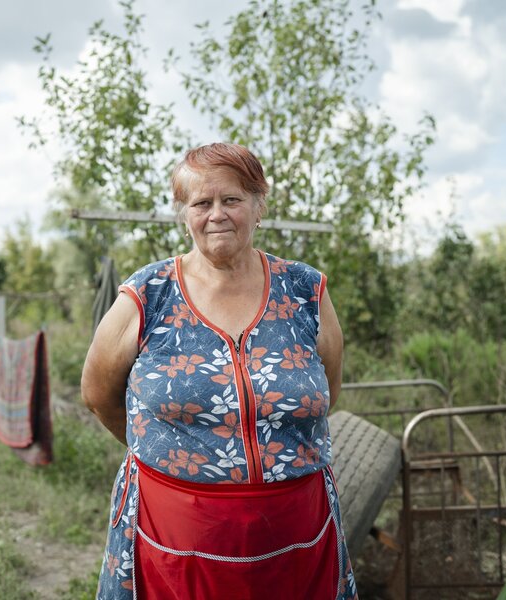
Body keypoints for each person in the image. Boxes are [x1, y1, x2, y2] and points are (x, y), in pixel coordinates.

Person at [82, 142, 358, 599]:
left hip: (295, 533)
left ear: (258, 205)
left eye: (231, 199)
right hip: (172, 534)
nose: (217, 215)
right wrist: (168, 451)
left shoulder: (306, 290)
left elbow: (327, 391)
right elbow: (98, 394)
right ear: (184, 213)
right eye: (201, 203)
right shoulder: (148, 294)